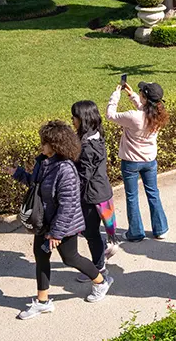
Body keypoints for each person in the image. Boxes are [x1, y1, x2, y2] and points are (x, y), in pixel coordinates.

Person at [9, 120, 113, 319]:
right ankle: (42, 302)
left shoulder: (66, 170)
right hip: (44, 222)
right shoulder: (43, 162)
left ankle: (101, 281)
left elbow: (68, 205)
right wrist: (18, 173)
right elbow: (36, 184)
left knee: (70, 258)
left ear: (56, 146)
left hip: (64, 225)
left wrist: (57, 232)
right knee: (41, 256)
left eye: (45, 143)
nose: (41, 146)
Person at [106, 81, 169, 241]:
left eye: (141, 92)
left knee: (132, 196)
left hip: (131, 162)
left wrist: (116, 96)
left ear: (145, 98)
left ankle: (135, 232)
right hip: (150, 161)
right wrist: (132, 95)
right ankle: (160, 229)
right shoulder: (157, 115)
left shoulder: (133, 117)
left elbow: (110, 115)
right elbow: (144, 109)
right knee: (153, 193)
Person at [70, 101, 118, 279]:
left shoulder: (88, 146)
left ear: (82, 119)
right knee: (91, 231)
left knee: (90, 233)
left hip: (92, 195)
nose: (72, 120)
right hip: (100, 191)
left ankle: (98, 268)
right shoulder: (95, 135)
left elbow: (84, 175)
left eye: (74, 117)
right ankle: (101, 256)